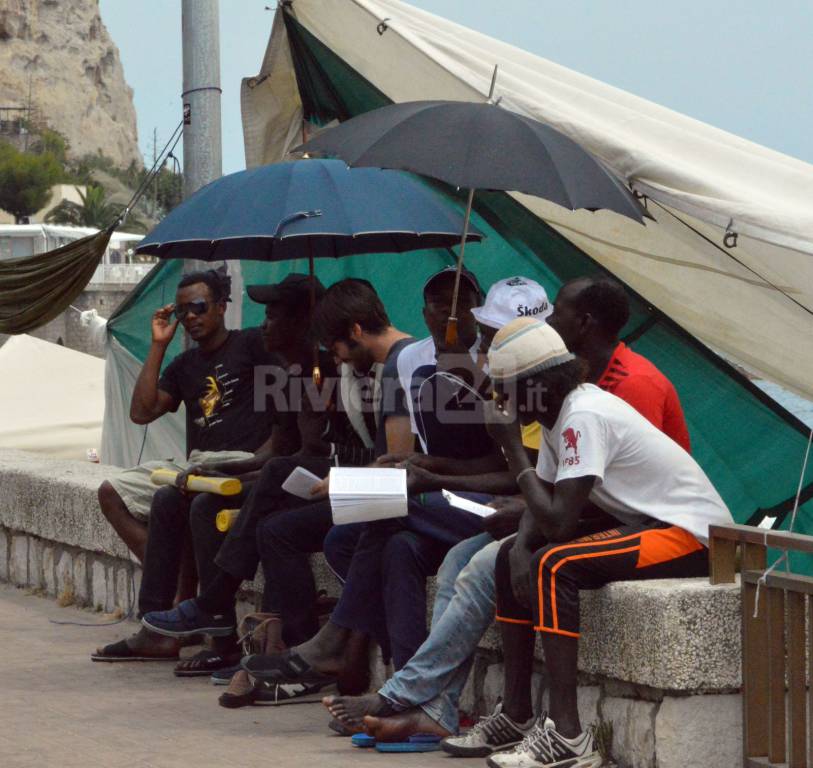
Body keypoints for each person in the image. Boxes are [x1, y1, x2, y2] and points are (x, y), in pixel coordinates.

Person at [324, 276, 693, 746]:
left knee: (507, 555)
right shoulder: (573, 389)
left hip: (650, 527)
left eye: (491, 338)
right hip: (580, 511)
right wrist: (445, 473)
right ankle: (448, 708)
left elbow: (572, 504)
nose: (483, 349)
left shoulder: (619, 388)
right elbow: (552, 482)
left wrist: (513, 491)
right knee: (446, 550)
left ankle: (561, 731)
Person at [479, 317, 732, 768]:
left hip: (692, 536)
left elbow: (557, 524)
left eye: (503, 390)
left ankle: (568, 736)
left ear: (533, 387)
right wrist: (518, 550)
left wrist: (512, 447)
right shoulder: (562, 415)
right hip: (650, 527)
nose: (498, 402)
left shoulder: (584, 416)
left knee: (554, 564)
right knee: (507, 557)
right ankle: (517, 713)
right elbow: (544, 502)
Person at [140, 279, 416, 674]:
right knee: (268, 526)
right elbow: (283, 447)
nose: (264, 326)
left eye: (273, 316)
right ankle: (293, 647)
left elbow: (388, 461)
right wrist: (227, 468)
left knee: (269, 488)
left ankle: (218, 605)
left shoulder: (370, 371)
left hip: (371, 490)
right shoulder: (303, 374)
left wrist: (336, 466)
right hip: (339, 482)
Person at [92, 271, 299, 666]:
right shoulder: (185, 363)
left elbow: (283, 424)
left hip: (239, 461)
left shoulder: (252, 345)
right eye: (183, 310)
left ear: (222, 307)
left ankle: (182, 621)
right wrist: (157, 345)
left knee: (180, 501)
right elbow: (141, 412)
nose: (190, 317)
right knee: (114, 492)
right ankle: (164, 618)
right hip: (197, 464)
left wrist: (251, 462)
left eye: (199, 307)